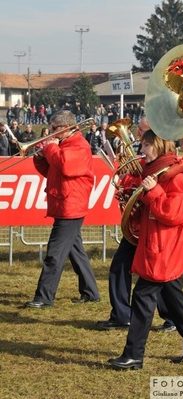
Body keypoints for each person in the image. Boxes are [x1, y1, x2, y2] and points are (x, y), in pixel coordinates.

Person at [108, 129, 183, 370]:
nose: (142, 150)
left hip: (163, 249)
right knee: (176, 301)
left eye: (146, 146)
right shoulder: (158, 173)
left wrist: (151, 191)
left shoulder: (177, 177)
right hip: (158, 247)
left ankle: (133, 355)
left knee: (142, 299)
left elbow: (173, 214)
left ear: (160, 146)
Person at [97, 116, 176, 331]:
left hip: (151, 226)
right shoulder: (141, 160)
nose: (138, 138)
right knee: (126, 267)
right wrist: (126, 183)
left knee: (158, 276)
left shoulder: (162, 164)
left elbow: (159, 192)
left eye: (143, 135)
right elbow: (133, 184)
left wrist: (138, 187)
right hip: (139, 223)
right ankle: (124, 315)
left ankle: (172, 318)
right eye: (139, 133)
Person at [25, 110, 100, 308]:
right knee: (76, 251)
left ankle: (43, 297)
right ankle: (91, 292)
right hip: (65, 203)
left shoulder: (79, 145)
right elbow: (52, 171)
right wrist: (41, 157)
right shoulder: (62, 145)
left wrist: (49, 149)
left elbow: (65, 165)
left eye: (53, 128)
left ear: (65, 127)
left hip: (71, 206)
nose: (50, 132)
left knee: (54, 254)